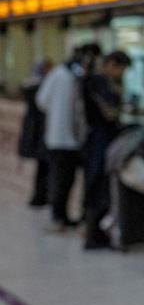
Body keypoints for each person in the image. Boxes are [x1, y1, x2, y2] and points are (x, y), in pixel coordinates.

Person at [37, 44, 100, 232]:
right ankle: (59, 218)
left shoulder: (73, 75)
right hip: (61, 139)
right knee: (61, 180)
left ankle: (64, 218)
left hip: (70, 138)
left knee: (67, 180)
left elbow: (42, 101)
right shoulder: (63, 75)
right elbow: (42, 101)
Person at [82, 51, 131, 250]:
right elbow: (109, 112)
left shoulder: (100, 82)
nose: (121, 74)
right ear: (110, 64)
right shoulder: (98, 82)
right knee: (98, 185)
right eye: (120, 69)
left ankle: (99, 233)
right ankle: (94, 235)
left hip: (103, 138)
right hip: (99, 140)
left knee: (102, 186)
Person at [18, 60, 52, 208]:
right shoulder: (40, 86)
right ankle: (41, 197)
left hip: (36, 132)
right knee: (45, 166)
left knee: (43, 166)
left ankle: (40, 197)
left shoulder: (30, 85)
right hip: (41, 132)